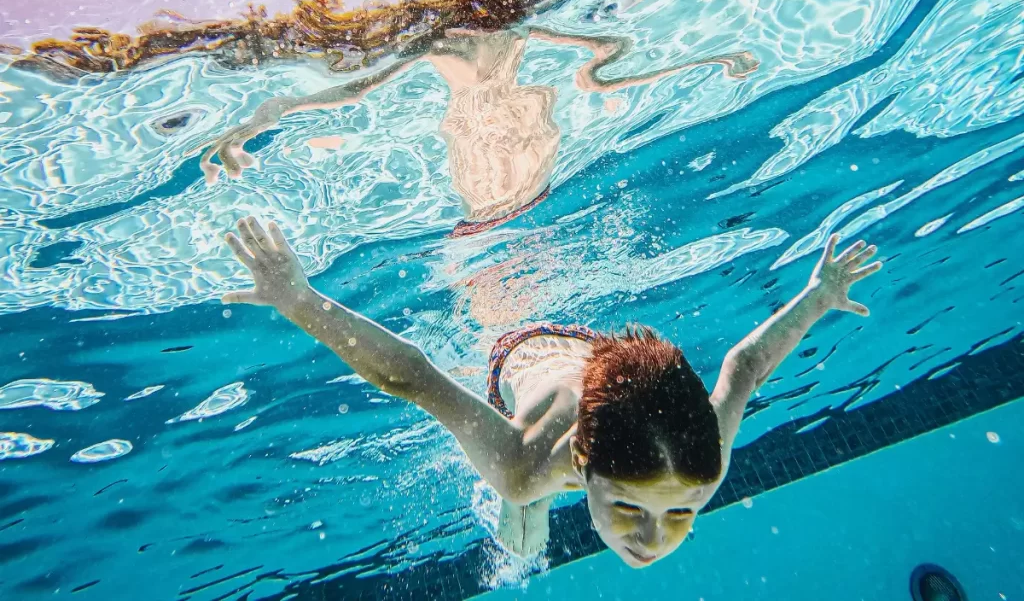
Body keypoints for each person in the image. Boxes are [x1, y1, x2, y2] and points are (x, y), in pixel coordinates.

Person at [222, 217, 882, 566]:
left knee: (527, 526)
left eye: (680, 513)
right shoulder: (525, 460)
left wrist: (819, 296)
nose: (655, 536)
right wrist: (299, 299)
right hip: (517, 343)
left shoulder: (699, 464)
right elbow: (412, 374)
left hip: (608, 364)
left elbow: (746, 368)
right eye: (631, 508)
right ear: (585, 465)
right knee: (524, 528)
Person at [201, 28, 757, 234]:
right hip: (505, 188)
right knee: (496, 249)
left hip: (514, 187)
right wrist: (250, 125)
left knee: (497, 251)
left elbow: (608, 60)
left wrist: (707, 60)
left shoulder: (516, 36)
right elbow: (608, 60)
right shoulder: (470, 44)